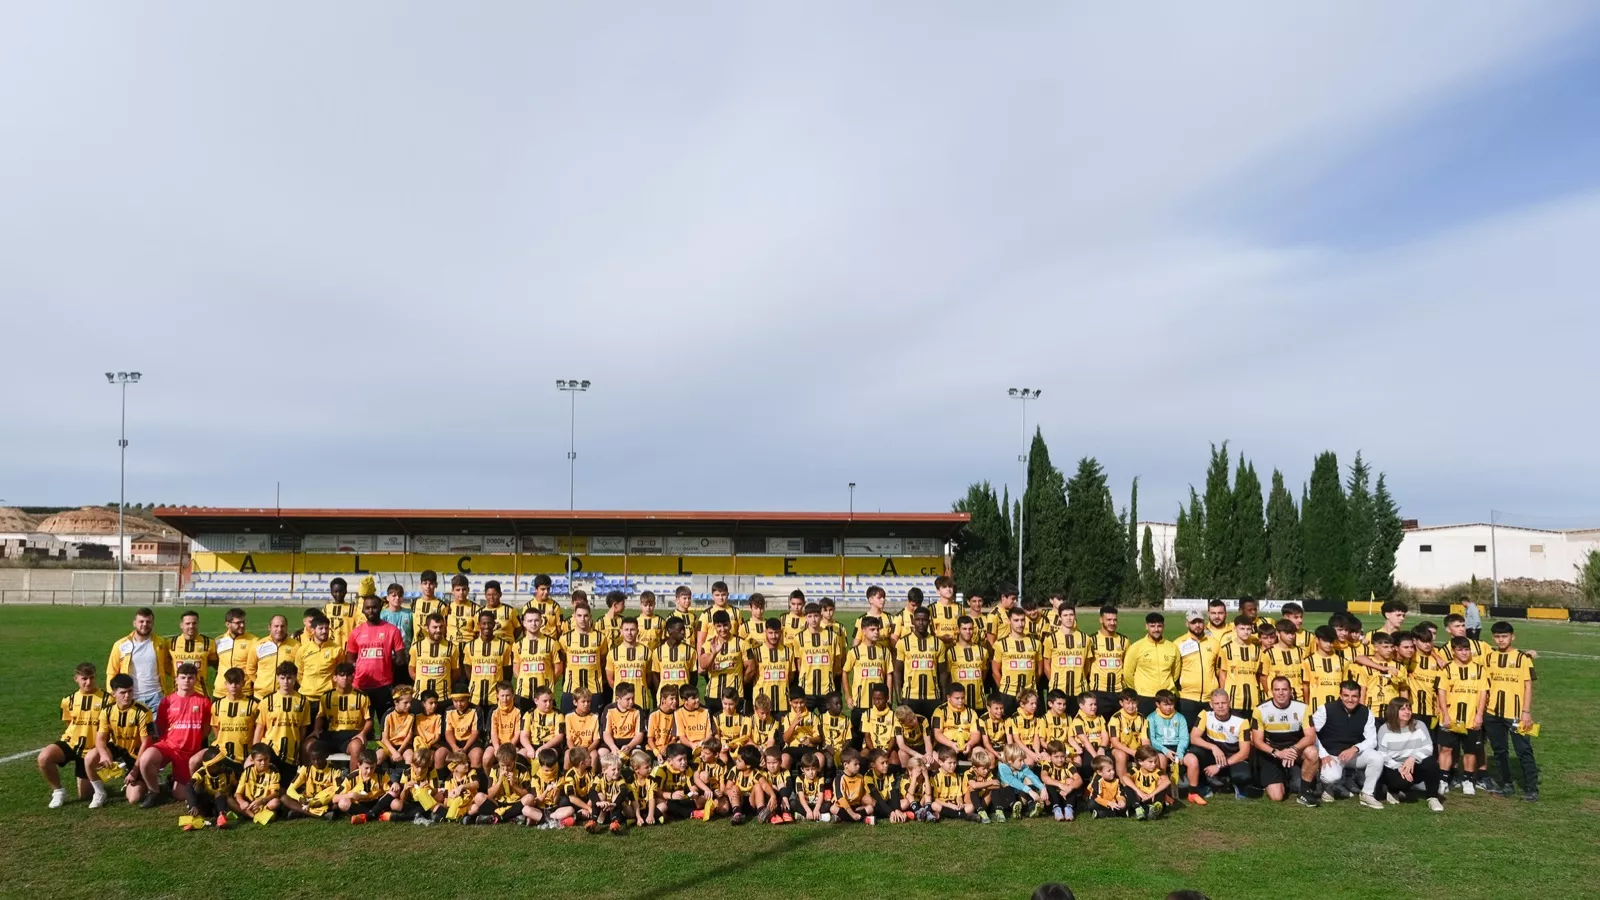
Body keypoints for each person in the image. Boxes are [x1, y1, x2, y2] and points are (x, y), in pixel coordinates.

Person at [137, 662, 213, 808]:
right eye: (183, 677)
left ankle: (173, 780)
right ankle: (154, 792)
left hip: (188, 752)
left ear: (196, 679)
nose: (186, 681)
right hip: (168, 746)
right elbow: (160, 726)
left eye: (190, 678)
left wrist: (193, 740)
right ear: (176, 679)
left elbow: (206, 729)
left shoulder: (203, 702)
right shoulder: (167, 701)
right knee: (146, 759)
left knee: (180, 795)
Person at [1482, 621, 1538, 801]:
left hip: (1517, 714)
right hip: (1492, 714)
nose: (1501, 640)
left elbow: (1528, 687)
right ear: (1493, 638)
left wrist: (1526, 712)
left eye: (1504, 636)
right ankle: (1507, 785)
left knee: (1524, 750)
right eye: (1497, 637)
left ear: (1512, 637)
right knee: (1499, 751)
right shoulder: (1489, 657)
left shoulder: (1523, 658)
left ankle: (1532, 788)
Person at [40, 662, 106, 808]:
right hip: (72, 743)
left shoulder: (107, 700)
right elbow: (69, 724)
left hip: (92, 749)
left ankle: (97, 780)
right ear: (76, 678)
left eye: (92, 678)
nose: (89, 682)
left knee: (85, 796)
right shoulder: (67, 701)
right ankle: (58, 791)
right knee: (44, 758)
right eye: (84, 678)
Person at [85, 672, 156, 807]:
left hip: (137, 754)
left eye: (130, 691)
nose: (127, 696)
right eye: (123, 692)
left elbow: (146, 743)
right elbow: (100, 739)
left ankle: (148, 778)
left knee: (134, 798)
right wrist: (104, 754)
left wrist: (135, 770)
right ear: (114, 694)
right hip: (118, 750)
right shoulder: (107, 711)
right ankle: (99, 793)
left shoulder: (142, 712)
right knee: (90, 758)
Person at [1311, 680, 1384, 808]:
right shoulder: (1326, 709)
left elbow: (1372, 740)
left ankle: (1367, 794)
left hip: (1352, 754)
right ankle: (1328, 787)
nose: (1350, 700)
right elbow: (1312, 733)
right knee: (1330, 777)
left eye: (1354, 696)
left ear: (1359, 697)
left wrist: (1355, 748)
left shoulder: (1366, 712)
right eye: (1346, 695)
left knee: (1377, 758)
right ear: (1340, 695)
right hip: (1331, 754)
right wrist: (1322, 754)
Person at [1251, 676, 1320, 806]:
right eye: (1277, 689)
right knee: (1277, 797)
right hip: (1273, 753)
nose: (1281, 693)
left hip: (1295, 750)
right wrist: (1277, 753)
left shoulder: (1303, 708)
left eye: (1284, 689)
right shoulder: (1260, 710)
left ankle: (1304, 793)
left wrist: (1293, 749)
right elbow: (1257, 741)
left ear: (1290, 691)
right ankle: (1287, 778)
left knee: (1312, 752)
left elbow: (1310, 736)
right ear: (1271, 691)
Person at [1437, 636, 1490, 794]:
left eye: (1467, 649)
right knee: (1446, 749)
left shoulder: (1479, 670)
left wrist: (1479, 715)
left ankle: (1468, 780)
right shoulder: (1447, 669)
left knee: (1470, 751)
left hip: (1470, 718)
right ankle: (1443, 780)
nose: (1464, 653)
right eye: (1460, 650)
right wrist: (1445, 714)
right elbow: (1441, 692)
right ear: (1453, 651)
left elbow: (1483, 694)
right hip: (1451, 718)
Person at [1182, 689, 1253, 803]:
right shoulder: (1205, 714)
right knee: (1194, 752)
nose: (1220, 706)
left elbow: (1244, 753)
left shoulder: (1242, 721)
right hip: (1213, 755)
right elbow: (1194, 737)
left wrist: (1219, 766)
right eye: (1216, 703)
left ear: (1229, 703)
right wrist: (1213, 747)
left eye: (1223, 703)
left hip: (1232, 758)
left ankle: (1233, 783)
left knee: (1243, 775)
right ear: (1211, 704)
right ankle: (1200, 784)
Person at [1375, 698, 1444, 812]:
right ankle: (1392, 790)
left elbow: (1428, 747)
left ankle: (1432, 797)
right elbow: (1382, 754)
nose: (1407, 712)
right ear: (1393, 711)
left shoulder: (1420, 725)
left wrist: (1413, 758)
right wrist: (1399, 767)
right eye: (1402, 709)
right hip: (1395, 767)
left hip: (1413, 764)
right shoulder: (1384, 729)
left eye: (1409, 708)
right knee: (1399, 781)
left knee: (1431, 762)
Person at [346, 592, 406, 723]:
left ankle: (384, 744)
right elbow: (350, 659)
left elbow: (401, 658)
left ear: (380, 608)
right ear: (363, 610)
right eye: (367, 608)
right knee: (361, 726)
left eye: (374, 607)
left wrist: (386, 664)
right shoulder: (356, 632)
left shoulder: (392, 630)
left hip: (383, 686)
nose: (371, 610)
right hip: (360, 685)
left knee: (386, 723)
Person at [107, 607, 172, 710]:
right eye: (141, 621)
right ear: (134, 623)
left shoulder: (161, 643)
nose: (145, 624)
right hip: (131, 698)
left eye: (148, 622)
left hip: (156, 697)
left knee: (156, 726)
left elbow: (169, 666)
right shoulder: (121, 645)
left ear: (153, 624)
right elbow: (112, 671)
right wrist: (113, 693)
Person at [1123, 613, 1180, 715]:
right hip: (1145, 697)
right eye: (1152, 626)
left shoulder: (1172, 647)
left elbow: (1175, 673)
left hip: (1167, 697)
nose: (1156, 629)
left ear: (1163, 626)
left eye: (1159, 626)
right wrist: (1139, 689)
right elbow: (1128, 673)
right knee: (1146, 729)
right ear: (1146, 626)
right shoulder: (1136, 647)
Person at [895, 607, 946, 720]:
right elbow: (897, 671)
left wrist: (943, 697)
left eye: (924, 620)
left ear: (929, 621)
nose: (921, 623)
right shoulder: (903, 642)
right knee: (910, 733)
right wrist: (899, 698)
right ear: (913, 621)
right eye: (918, 619)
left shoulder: (938, 643)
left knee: (933, 732)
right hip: (910, 696)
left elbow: (942, 673)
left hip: (933, 697)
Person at [1174, 611, 1218, 726]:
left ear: (1204, 623)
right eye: (1193, 622)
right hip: (1187, 698)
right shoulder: (1179, 643)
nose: (1197, 625)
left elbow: (1219, 670)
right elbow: (1174, 672)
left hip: (1210, 699)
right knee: (1187, 733)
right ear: (1187, 624)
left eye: (1200, 622)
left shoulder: (1214, 643)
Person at [1086, 605, 1129, 715]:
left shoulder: (1124, 641)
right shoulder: (1092, 640)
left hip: (1119, 691)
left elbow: (1127, 664)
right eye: (1108, 620)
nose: (1112, 623)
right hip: (1099, 691)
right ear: (1101, 620)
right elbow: (1087, 666)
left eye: (1115, 620)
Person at [248, 615, 297, 699]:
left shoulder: (296, 646)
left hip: (285, 696)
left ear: (286, 627)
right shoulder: (258, 646)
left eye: (282, 626)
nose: (279, 629)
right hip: (261, 696)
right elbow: (250, 669)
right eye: (276, 626)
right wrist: (261, 684)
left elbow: (299, 670)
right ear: (269, 627)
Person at [211, 608, 255, 699]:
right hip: (221, 691)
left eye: (244, 622)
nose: (242, 625)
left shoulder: (253, 641)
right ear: (228, 624)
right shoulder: (219, 641)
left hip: (244, 690)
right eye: (238, 623)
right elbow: (214, 662)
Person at [169, 610, 218, 689]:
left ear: (198, 624)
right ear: (181, 625)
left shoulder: (209, 643)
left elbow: (217, 665)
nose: (191, 626)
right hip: (177, 692)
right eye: (187, 623)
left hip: (201, 692)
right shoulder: (171, 643)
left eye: (194, 623)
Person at [322, 577, 359, 648]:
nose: (338, 594)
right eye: (335, 591)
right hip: (330, 646)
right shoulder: (327, 608)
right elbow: (318, 624)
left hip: (347, 646)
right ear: (331, 592)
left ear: (345, 591)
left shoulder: (353, 608)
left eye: (341, 591)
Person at [380, 582, 414, 647]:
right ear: (387, 598)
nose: (397, 598)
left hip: (406, 653)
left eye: (400, 595)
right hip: (388, 653)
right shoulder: (382, 615)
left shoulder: (409, 614)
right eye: (394, 595)